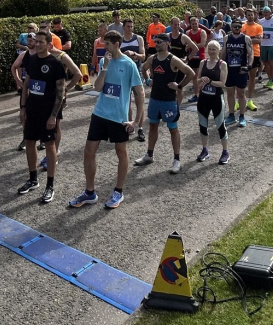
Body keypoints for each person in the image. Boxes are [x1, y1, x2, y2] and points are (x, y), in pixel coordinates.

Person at [69, 31, 145, 209]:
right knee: (89, 151)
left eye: (108, 45)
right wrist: (104, 67)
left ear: (117, 44)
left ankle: (118, 191)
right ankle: (89, 192)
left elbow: (140, 93)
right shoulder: (105, 61)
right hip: (100, 113)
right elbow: (97, 87)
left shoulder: (129, 64)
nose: (105, 48)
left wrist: (135, 122)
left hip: (118, 117)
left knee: (121, 152)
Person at [136, 33, 195, 173]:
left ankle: (177, 160)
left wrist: (179, 86)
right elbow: (143, 68)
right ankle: (149, 154)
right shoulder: (153, 58)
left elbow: (190, 73)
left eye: (160, 42)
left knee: (173, 129)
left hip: (169, 101)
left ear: (167, 43)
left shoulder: (172, 59)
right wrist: (148, 80)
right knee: (152, 126)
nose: (157, 44)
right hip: (155, 99)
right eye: (155, 42)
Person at [18, 31, 66, 203]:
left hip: (47, 112)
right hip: (32, 110)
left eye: (40, 42)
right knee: (29, 142)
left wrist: (53, 116)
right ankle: (33, 179)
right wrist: (22, 107)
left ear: (48, 44)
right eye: (35, 41)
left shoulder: (55, 63)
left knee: (49, 145)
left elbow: (60, 92)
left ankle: (50, 185)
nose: (37, 44)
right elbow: (26, 85)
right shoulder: (30, 59)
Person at [195, 41, 230, 164]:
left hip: (216, 99)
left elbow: (223, 83)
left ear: (219, 50)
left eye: (214, 49)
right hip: (204, 98)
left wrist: (210, 81)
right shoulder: (202, 62)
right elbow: (197, 80)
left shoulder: (222, 64)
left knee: (220, 125)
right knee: (202, 125)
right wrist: (201, 80)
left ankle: (225, 152)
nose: (211, 51)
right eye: (209, 49)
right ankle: (205, 150)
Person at [222, 21, 253, 127]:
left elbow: (251, 53)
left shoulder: (246, 38)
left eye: (239, 26)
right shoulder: (227, 38)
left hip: (241, 69)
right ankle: (231, 115)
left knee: (241, 93)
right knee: (230, 93)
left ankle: (242, 116)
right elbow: (223, 53)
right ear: (231, 27)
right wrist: (220, 65)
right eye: (234, 26)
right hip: (229, 69)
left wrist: (249, 65)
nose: (236, 28)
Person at [119, 18, 146, 140]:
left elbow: (143, 57)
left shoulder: (138, 38)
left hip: (137, 72)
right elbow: (116, 57)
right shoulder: (120, 40)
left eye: (131, 26)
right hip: (124, 73)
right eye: (128, 26)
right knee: (127, 101)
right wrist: (125, 55)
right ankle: (130, 126)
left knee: (139, 100)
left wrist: (134, 54)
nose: (130, 28)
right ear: (123, 27)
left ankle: (140, 127)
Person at [240, 9, 264, 111]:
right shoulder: (242, 26)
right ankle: (239, 100)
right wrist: (252, 38)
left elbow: (258, 40)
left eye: (251, 15)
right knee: (241, 78)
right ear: (246, 16)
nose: (250, 16)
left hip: (255, 53)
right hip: (243, 54)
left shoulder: (258, 26)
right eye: (248, 15)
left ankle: (250, 100)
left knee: (252, 77)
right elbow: (240, 39)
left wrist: (247, 38)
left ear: (254, 15)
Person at [258, 6, 273, 91]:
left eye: (267, 12)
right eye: (264, 12)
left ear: (270, 12)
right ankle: (269, 79)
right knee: (265, 63)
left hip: (272, 44)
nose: (265, 13)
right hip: (263, 45)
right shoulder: (261, 21)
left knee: (271, 63)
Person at [185, 17, 207, 104]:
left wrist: (191, 46)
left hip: (200, 56)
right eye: (193, 24)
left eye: (196, 23)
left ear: (198, 23)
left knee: (201, 76)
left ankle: (202, 94)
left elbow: (202, 44)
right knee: (194, 76)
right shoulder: (187, 32)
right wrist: (187, 47)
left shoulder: (202, 32)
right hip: (192, 56)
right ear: (190, 24)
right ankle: (196, 94)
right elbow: (186, 45)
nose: (194, 25)